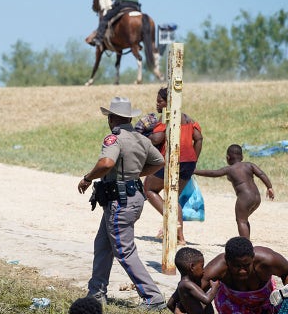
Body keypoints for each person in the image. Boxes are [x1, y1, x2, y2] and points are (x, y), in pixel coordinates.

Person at [77, 96, 167, 310]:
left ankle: (153, 297)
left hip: (120, 202)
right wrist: (134, 174)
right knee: (103, 245)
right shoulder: (141, 138)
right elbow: (159, 161)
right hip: (130, 197)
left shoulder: (114, 139)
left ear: (113, 119)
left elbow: (106, 162)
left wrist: (88, 178)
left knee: (123, 251)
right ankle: (96, 293)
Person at [143, 87, 203, 245]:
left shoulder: (167, 117)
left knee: (149, 188)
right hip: (188, 162)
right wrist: (194, 159)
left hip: (172, 159)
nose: (157, 104)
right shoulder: (187, 118)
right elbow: (198, 138)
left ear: (169, 102)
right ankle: (180, 237)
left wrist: (142, 135)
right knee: (173, 198)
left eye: (160, 101)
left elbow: (157, 138)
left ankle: (170, 221)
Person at [169, 237, 288, 314]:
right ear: (227, 261)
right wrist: (179, 307)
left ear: (253, 258)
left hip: (266, 302)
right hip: (232, 305)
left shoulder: (268, 260)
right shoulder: (218, 267)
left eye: (246, 265)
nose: (242, 271)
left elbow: (286, 274)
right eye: (237, 266)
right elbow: (189, 292)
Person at [194, 144, 274, 239]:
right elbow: (261, 174)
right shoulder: (249, 165)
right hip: (256, 197)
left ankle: (245, 244)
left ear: (228, 157)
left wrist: (194, 171)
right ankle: (247, 240)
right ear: (242, 156)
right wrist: (269, 187)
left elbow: (213, 173)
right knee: (244, 219)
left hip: (245, 197)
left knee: (241, 220)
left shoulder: (229, 169)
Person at [171, 247, 220, 314]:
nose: (203, 271)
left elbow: (170, 304)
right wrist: (214, 287)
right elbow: (207, 299)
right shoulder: (188, 284)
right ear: (192, 267)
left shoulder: (182, 284)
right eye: (202, 266)